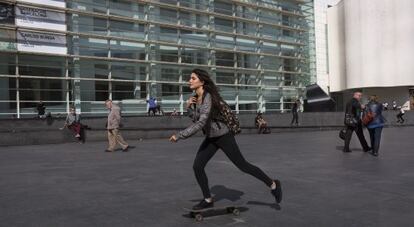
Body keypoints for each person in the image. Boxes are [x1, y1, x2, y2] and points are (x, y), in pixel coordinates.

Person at [169, 69, 282, 210]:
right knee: (198, 166)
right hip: (211, 137)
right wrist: (189, 109)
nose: (189, 81)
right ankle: (208, 199)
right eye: (190, 78)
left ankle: (273, 184)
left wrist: (180, 135)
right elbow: (196, 119)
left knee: (243, 165)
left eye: (193, 78)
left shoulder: (208, 97)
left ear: (202, 81)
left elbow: (201, 122)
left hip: (223, 136)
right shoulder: (196, 98)